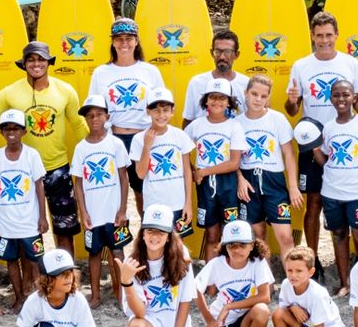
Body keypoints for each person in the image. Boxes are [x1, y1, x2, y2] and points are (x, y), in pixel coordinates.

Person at [0, 41, 87, 257]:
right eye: (30, 59)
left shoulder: (65, 91)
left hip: (57, 169)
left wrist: (95, 151)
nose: (36, 64)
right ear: (24, 64)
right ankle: (36, 283)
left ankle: (66, 278)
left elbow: (78, 124)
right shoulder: (10, 93)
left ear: (49, 62)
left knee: (65, 228)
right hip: (24, 173)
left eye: (41, 59)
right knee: (28, 230)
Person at [286, 11, 358, 269]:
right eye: (319, 35)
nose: (324, 40)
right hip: (312, 142)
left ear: (337, 36)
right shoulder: (301, 66)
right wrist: (290, 101)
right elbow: (292, 111)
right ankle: (313, 260)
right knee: (313, 202)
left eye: (329, 35)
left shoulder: (350, 63)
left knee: (350, 198)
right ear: (312, 36)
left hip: (344, 140)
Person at [115, 204, 204, 327]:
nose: (154, 237)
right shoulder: (133, 260)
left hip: (175, 322)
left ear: (169, 236)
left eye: (161, 232)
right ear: (142, 233)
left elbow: (185, 302)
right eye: (150, 231)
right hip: (150, 322)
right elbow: (139, 313)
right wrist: (126, 282)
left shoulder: (182, 256)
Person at [88, 18, 166, 203]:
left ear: (136, 41)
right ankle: (120, 232)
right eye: (119, 38)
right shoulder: (101, 72)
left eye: (129, 38)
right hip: (115, 137)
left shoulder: (150, 71)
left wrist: (156, 135)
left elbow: (160, 106)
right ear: (112, 42)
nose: (124, 43)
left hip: (144, 137)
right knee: (114, 193)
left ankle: (147, 231)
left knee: (144, 192)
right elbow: (95, 109)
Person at [315, 79, 358, 294]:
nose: (341, 99)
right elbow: (327, 160)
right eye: (336, 95)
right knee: (339, 236)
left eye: (345, 94)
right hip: (331, 193)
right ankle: (345, 283)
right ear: (331, 98)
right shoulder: (329, 127)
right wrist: (315, 150)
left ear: (354, 97)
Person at [0, 109, 48, 310]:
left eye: (16, 129)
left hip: (29, 221)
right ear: (1, 132)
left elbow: (39, 186)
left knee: (36, 261)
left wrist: (42, 217)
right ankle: (18, 297)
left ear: (24, 132)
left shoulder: (31, 155)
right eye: (7, 129)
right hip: (6, 221)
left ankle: (40, 299)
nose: (11, 133)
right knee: (11, 261)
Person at [71, 96, 133, 306]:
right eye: (89, 116)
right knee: (94, 253)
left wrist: (123, 209)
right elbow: (78, 183)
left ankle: (123, 294)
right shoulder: (80, 148)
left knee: (118, 252)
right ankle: (95, 294)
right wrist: (83, 212)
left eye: (98, 114)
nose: (94, 118)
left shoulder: (115, 143)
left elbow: (124, 178)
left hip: (114, 211)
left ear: (107, 116)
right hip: (93, 213)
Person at [236, 75, 301, 257]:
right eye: (254, 94)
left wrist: (293, 187)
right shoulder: (237, 123)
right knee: (258, 237)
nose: (258, 99)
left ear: (268, 97)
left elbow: (289, 154)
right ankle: (266, 282)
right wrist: (240, 179)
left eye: (263, 96)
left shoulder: (277, 119)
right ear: (246, 93)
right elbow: (233, 159)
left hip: (274, 182)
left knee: (285, 237)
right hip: (248, 182)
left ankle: (291, 281)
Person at [197, 220, 274, 327]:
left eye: (242, 245)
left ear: (252, 245)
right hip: (221, 323)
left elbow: (265, 296)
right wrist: (210, 321)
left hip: (245, 322)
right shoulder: (217, 264)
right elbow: (195, 289)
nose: (237, 250)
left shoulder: (258, 262)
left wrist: (230, 306)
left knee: (262, 310)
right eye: (231, 245)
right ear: (225, 246)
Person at [186, 78, 245, 260]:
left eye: (222, 98)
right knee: (212, 234)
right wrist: (192, 169)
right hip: (205, 186)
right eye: (213, 97)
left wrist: (203, 171)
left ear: (229, 102)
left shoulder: (235, 126)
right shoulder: (197, 125)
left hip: (228, 183)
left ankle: (230, 270)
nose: (217, 102)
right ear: (206, 100)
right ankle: (210, 283)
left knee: (231, 233)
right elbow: (182, 149)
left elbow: (234, 162)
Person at [270, 246, 348, 327]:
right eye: (289, 270)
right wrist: (292, 307)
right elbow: (283, 307)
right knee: (278, 314)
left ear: (311, 272)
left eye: (299, 271)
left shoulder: (317, 294)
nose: (293, 275)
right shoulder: (285, 284)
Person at [129, 89, 195, 240]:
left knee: (178, 245)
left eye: (165, 110)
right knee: (155, 244)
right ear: (148, 112)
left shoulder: (180, 136)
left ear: (173, 111)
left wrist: (188, 203)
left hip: (177, 203)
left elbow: (187, 172)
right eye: (156, 111)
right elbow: (140, 173)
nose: (161, 115)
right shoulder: (139, 139)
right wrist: (147, 146)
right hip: (153, 204)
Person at [183, 29, 250, 125]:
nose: (222, 57)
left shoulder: (247, 84)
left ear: (236, 55)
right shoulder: (196, 83)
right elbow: (188, 120)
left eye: (227, 52)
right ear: (211, 53)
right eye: (217, 51)